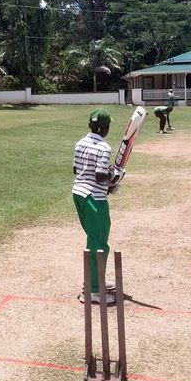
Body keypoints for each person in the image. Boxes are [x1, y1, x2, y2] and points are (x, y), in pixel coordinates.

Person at [72, 108, 117, 304]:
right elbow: (100, 176)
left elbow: (76, 169)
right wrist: (113, 178)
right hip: (94, 198)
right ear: (105, 128)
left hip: (79, 194)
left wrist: (109, 180)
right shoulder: (104, 148)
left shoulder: (80, 143)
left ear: (90, 125)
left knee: (94, 240)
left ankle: (95, 280)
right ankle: (94, 291)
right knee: (99, 243)